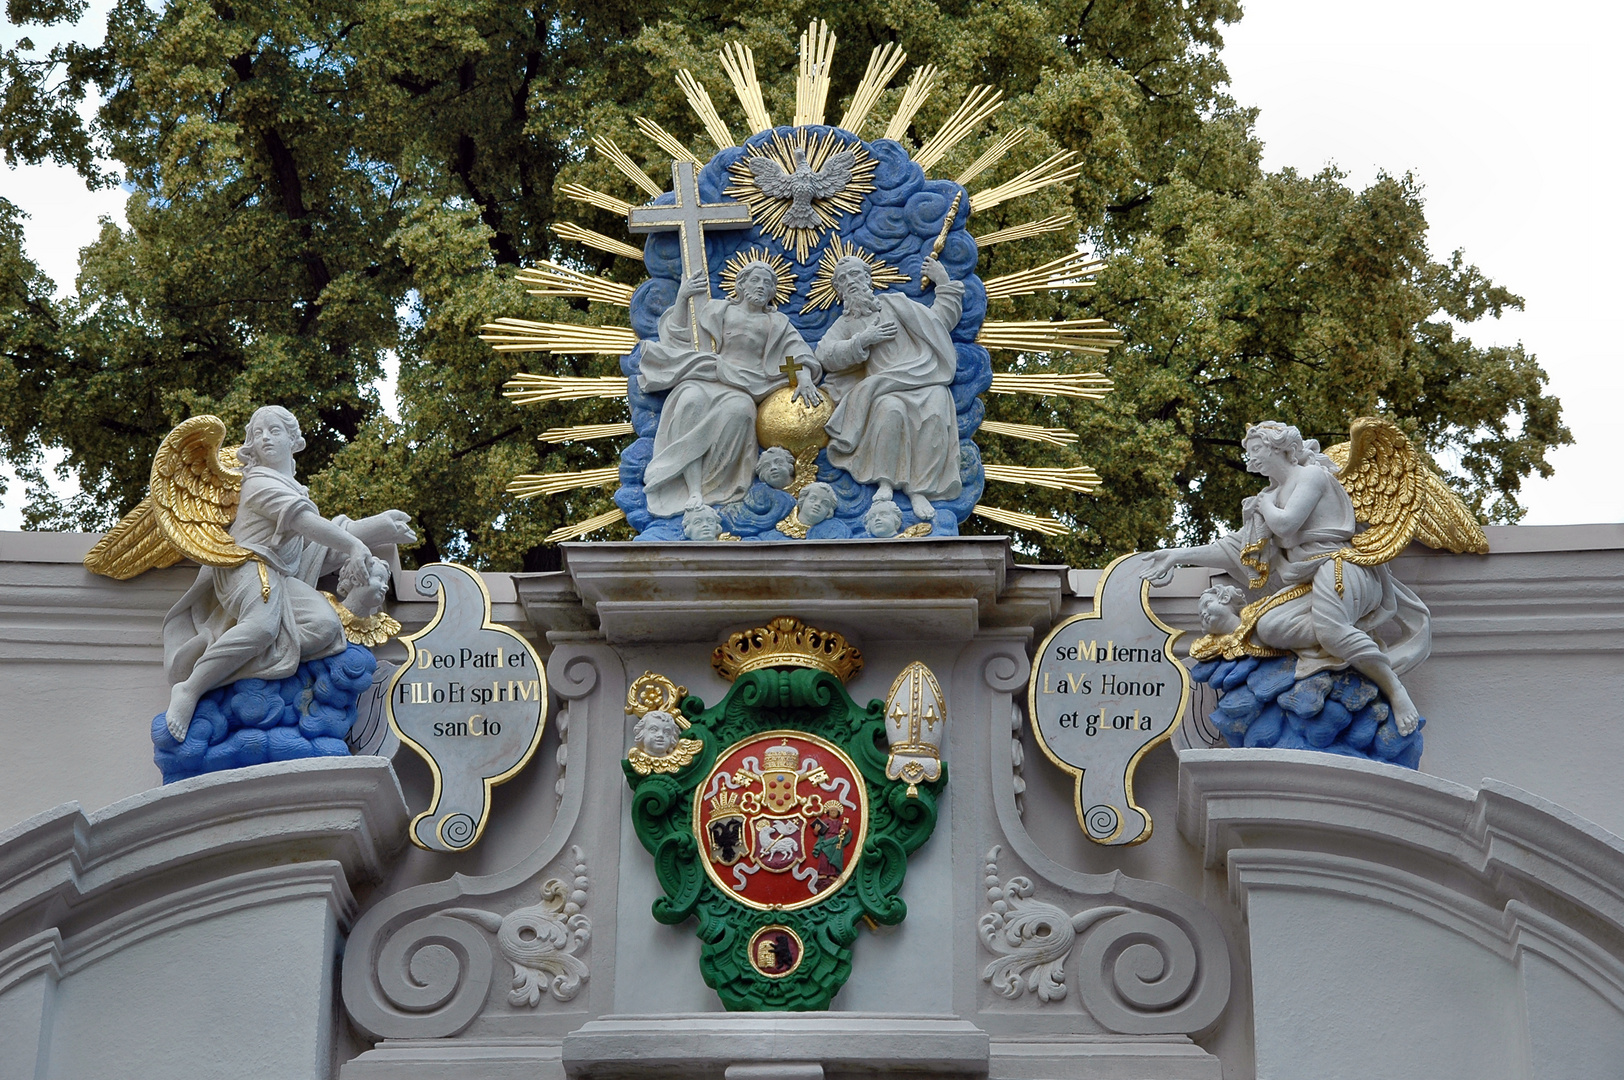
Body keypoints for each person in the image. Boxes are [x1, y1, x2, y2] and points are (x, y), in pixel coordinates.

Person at [1142, 421, 1430, 733]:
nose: (1250, 458)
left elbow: (1286, 525)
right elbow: (1233, 548)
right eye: (1248, 452)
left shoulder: (1311, 477)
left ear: (1279, 447)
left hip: (1341, 567)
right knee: (1267, 627)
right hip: (1307, 577)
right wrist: (1177, 556)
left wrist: (1263, 506)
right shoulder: (1273, 494)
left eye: (1255, 450)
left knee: (1331, 632)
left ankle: (1393, 689)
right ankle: (1334, 652)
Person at [161, 406, 416, 740]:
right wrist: (356, 546)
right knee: (263, 626)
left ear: (295, 441)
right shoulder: (257, 483)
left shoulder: (294, 488)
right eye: (258, 433)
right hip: (245, 566)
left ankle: (251, 667)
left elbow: (314, 550)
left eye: (275, 431)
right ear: (250, 445)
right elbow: (306, 524)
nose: (265, 437)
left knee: (325, 627)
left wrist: (378, 527)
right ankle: (192, 689)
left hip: (279, 574)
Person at [638, 263, 819, 521]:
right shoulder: (717, 309)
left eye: (768, 284)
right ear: (741, 285)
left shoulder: (776, 322)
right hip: (707, 375)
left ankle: (713, 487)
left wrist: (804, 378)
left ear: (772, 294)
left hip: (747, 385)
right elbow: (678, 336)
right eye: (755, 280)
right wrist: (683, 297)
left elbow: (797, 352)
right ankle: (692, 489)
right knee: (690, 401)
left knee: (742, 413)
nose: (761, 286)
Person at [817, 255, 962, 520]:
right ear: (838, 290)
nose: (851, 282)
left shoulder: (896, 305)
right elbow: (824, 355)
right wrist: (862, 340)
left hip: (924, 378)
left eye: (855, 275)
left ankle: (920, 489)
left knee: (936, 412)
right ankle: (885, 481)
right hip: (884, 387)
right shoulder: (846, 323)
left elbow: (938, 323)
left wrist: (942, 282)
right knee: (889, 411)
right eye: (843, 279)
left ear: (868, 278)